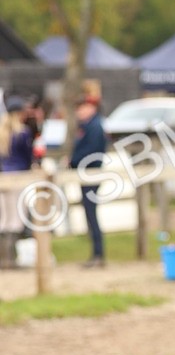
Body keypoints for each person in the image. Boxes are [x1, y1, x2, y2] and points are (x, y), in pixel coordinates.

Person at [69, 87, 107, 267]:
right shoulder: (87, 126)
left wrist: (73, 161)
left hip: (91, 174)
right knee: (89, 214)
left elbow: (90, 152)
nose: (79, 111)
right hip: (86, 174)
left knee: (91, 214)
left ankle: (98, 254)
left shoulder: (94, 127)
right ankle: (96, 253)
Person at [0, 95, 36, 268]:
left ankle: (4, 258)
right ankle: (10, 259)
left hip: (3, 178)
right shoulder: (22, 132)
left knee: (4, 218)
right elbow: (27, 157)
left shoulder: (2, 132)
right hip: (17, 177)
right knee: (15, 218)